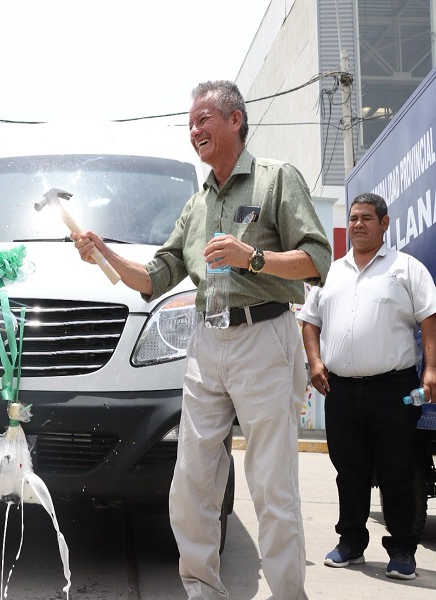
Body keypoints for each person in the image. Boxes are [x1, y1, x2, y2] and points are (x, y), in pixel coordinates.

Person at [72, 80, 331, 599]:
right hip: (206, 344)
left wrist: (250, 257)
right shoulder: (195, 205)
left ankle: (287, 594)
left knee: (272, 486)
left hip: (265, 337)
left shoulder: (276, 180)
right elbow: (155, 277)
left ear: (235, 120)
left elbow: (316, 260)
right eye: (190, 124)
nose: (194, 130)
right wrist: (104, 254)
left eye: (203, 119)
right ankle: (202, 590)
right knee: (191, 482)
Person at [298, 193, 436, 581]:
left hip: (394, 389)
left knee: (397, 469)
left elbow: (429, 317)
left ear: (385, 223)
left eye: (366, 218)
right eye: (354, 218)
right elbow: (310, 322)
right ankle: (351, 543)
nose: (357, 224)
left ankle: (403, 551)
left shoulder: (405, 268)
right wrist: (315, 362)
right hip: (340, 390)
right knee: (349, 470)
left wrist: (431, 370)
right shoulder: (330, 272)